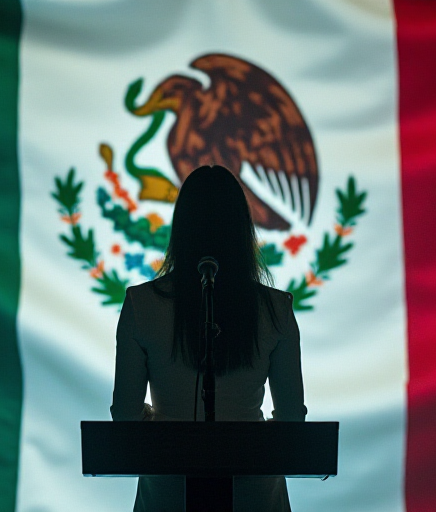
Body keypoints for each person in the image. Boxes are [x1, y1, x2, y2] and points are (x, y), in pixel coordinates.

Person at [111, 165, 307, 512]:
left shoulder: (142, 305)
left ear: (181, 228)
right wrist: (248, 437)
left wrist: (169, 426)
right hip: (254, 494)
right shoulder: (276, 309)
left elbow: (126, 416)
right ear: (242, 229)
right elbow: (291, 421)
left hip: (169, 492)